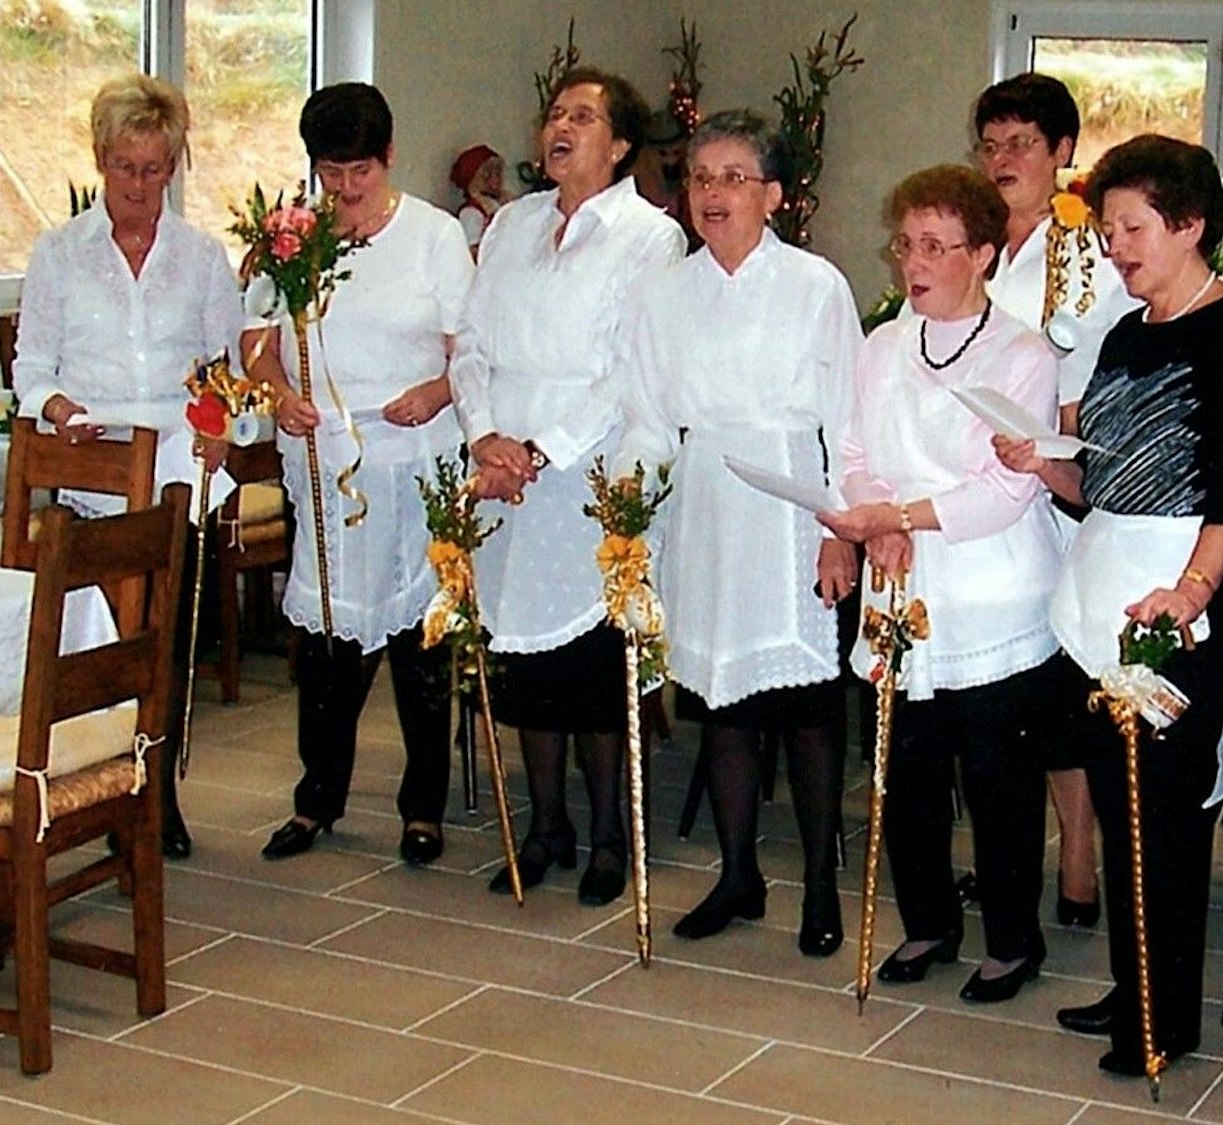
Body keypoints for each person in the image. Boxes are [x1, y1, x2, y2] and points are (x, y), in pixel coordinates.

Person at [996, 134, 1223, 1077]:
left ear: (1190, 225)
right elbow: (1102, 480)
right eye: (1110, 227)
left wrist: (1190, 598)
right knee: (1123, 805)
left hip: (1178, 593)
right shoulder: (1126, 330)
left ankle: (1164, 1016)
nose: (1116, 246)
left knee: (1161, 807)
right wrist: (1043, 461)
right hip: (1103, 577)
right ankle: (1137, 984)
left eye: (1132, 227)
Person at [618, 110, 858, 955]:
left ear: (774, 196)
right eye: (700, 179)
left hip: (795, 503)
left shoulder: (815, 285)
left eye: (733, 178)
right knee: (722, 701)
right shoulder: (661, 292)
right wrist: (625, 514)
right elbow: (645, 417)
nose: (713, 195)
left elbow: (847, 418)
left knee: (804, 707)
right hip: (706, 502)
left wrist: (841, 526)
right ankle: (737, 873)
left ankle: (822, 884)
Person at [821, 164, 1063, 1000]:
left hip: (991, 596)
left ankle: (1012, 938)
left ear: (983, 254)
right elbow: (849, 451)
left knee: (999, 785)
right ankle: (928, 921)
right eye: (905, 245)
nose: (912, 263)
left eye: (934, 246)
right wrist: (872, 511)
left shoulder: (1023, 354)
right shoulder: (883, 343)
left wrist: (897, 519)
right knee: (907, 773)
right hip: (899, 595)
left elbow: (1006, 489)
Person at [451, 67, 686, 906]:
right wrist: (486, 436)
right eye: (555, 112)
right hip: (502, 476)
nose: (561, 127)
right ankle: (545, 822)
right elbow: (471, 344)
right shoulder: (512, 224)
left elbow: (628, 369)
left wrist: (537, 451)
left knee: (591, 671)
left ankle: (611, 836)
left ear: (619, 145)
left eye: (583, 117)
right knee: (524, 665)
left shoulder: (651, 238)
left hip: (586, 474)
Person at [12, 72, 239, 861]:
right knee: (98, 643)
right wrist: (55, 407)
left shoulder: (203, 255)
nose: (139, 185)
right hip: (95, 467)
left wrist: (222, 421)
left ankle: (155, 795)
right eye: (125, 167)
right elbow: (31, 366)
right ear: (100, 160)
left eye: (154, 169)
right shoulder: (60, 253)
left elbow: (223, 365)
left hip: (176, 466)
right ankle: (98, 787)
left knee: (164, 640)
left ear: (173, 166)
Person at [247, 83, 471, 868]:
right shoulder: (292, 236)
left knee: (417, 637)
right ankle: (318, 798)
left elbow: (468, 351)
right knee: (328, 637)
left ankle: (422, 806)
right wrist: (279, 395)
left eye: (359, 173)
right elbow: (255, 338)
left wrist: (436, 393)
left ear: (388, 158)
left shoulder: (436, 238)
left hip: (412, 456)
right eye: (330, 173)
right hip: (325, 460)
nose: (343, 189)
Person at [970, 73, 1141, 930]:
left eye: (1021, 145)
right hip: (979, 482)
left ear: (1063, 153)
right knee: (1011, 693)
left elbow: (1092, 372)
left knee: (1060, 689)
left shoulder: (1084, 250)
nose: (1002, 162)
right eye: (990, 145)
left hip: (1058, 486)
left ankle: (1079, 858)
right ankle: (1017, 858)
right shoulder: (977, 245)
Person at [449, 144, 510, 258]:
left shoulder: (504, 205)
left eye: (498, 174)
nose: (495, 180)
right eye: (487, 175)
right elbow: (471, 252)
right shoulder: (471, 211)